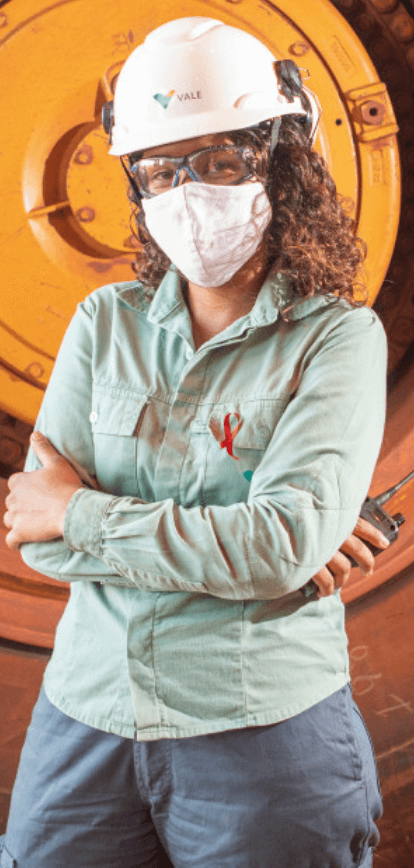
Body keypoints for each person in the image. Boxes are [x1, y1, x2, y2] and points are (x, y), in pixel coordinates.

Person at [2, 16, 388, 868]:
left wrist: (82, 513)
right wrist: (245, 549)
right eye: (159, 171)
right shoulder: (105, 323)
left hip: (262, 730)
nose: (188, 193)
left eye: (218, 162)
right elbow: (34, 540)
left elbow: (276, 547)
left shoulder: (339, 340)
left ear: (279, 160)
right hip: (86, 717)